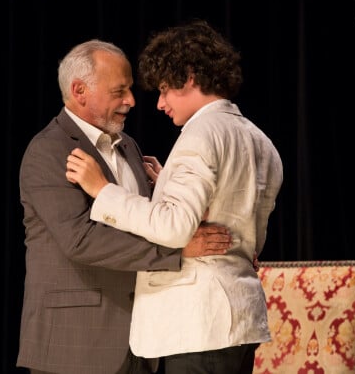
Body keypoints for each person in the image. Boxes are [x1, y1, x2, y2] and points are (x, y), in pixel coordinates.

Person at [66, 20, 284, 374]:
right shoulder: (261, 141)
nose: (160, 103)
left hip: (200, 324)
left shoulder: (200, 134)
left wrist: (102, 190)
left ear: (191, 76)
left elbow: (174, 228)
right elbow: (245, 228)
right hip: (241, 318)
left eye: (165, 89)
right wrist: (169, 180)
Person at [17, 39, 233, 374]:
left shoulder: (129, 146)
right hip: (75, 346)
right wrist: (177, 252)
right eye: (120, 91)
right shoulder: (48, 150)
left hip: (141, 341)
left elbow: (143, 219)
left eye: (130, 90)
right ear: (79, 90)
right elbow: (80, 240)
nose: (131, 101)